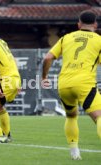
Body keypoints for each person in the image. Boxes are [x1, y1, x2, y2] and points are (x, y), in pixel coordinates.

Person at [42, 10, 101, 160]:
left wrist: (44, 77)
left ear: (79, 24)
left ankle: (74, 151)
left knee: (71, 116)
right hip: (84, 84)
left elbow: (48, 57)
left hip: (64, 85)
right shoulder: (99, 40)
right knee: (99, 117)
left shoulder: (66, 38)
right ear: (95, 24)